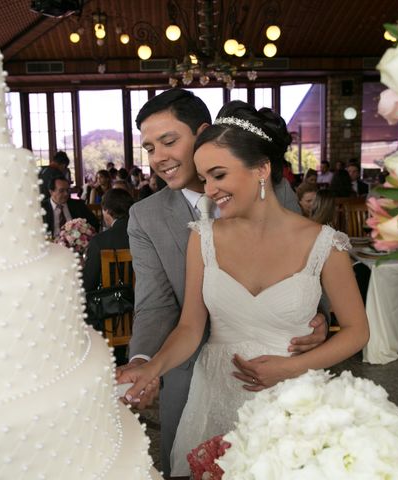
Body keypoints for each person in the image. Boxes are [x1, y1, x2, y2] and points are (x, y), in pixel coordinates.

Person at [120, 101, 369, 476]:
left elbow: (344, 316)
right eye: (204, 180)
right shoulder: (191, 234)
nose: (211, 191)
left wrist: (308, 334)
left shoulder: (309, 226)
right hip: (209, 387)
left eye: (218, 175)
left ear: (262, 170)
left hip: (293, 389)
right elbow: (174, 316)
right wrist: (150, 365)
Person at [82, 188, 134, 292]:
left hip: (108, 303)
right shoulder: (143, 236)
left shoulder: (99, 242)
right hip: (141, 299)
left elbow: (88, 284)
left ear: (107, 211)